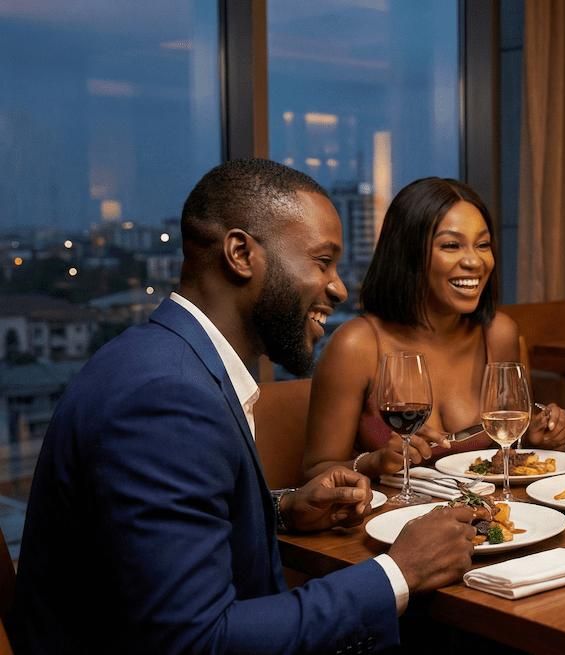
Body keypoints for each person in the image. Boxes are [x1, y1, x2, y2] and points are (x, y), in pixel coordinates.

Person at [10, 160, 478, 654]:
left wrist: (279, 510)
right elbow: (197, 641)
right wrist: (397, 574)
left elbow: (163, 537)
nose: (340, 288)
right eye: (322, 262)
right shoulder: (166, 398)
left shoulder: (170, 359)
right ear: (240, 253)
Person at [303, 177, 565, 482]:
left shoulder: (498, 334)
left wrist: (534, 439)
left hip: (488, 520)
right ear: (408, 255)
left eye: (483, 245)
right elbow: (315, 471)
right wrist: (375, 462)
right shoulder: (357, 345)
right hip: (393, 524)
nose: (474, 261)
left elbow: (507, 452)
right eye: (451, 245)